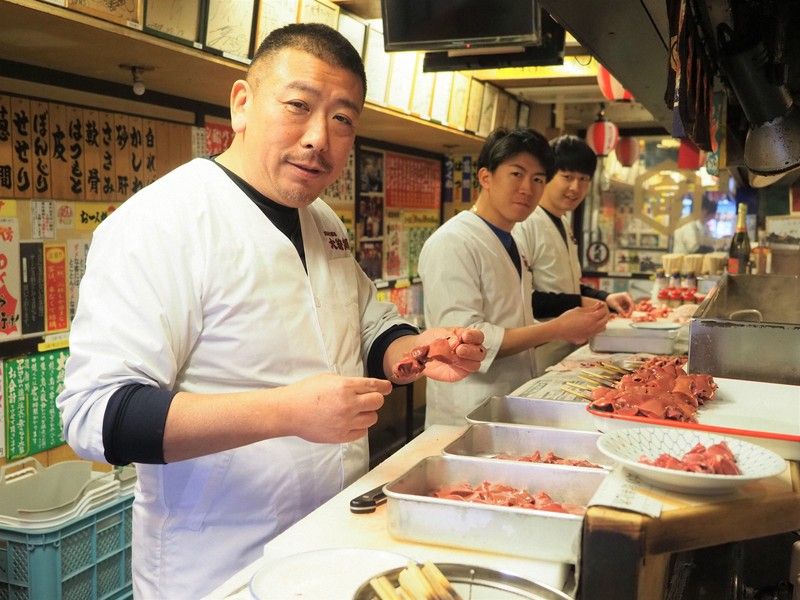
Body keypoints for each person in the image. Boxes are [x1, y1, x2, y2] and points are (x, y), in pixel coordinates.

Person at [57, 24, 485, 599]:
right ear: (242, 103)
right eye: (298, 106)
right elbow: (96, 414)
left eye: (342, 119)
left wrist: (412, 351)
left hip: (334, 536)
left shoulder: (323, 221)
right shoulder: (162, 222)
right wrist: (286, 412)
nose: (319, 138)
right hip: (217, 564)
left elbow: (361, 322)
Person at [418, 128, 610, 427]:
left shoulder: (511, 241)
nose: (527, 188)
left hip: (512, 397)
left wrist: (568, 328)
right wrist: (556, 329)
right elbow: (463, 338)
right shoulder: (453, 242)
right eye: (516, 174)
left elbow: (512, 318)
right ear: (485, 177)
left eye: (537, 179)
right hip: (468, 408)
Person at [514, 135, 634, 320]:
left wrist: (605, 297)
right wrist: (581, 303)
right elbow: (522, 298)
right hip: (541, 343)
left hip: (568, 341)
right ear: (546, 175)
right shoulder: (525, 223)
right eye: (567, 177)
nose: (575, 188)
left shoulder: (562, 222)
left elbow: (568, 287)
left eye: (583, 179)